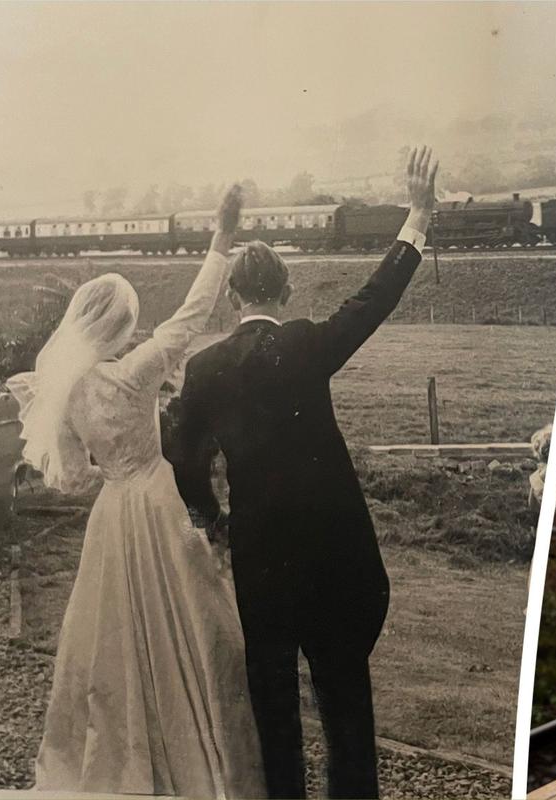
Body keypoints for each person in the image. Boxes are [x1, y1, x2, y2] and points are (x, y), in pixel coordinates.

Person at [166, 146, 438, 799]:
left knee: (275, 712)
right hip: (336, 553)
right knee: (347, 708)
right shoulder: (309, 343)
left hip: (261, 558)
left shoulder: (205, 371)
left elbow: (183, 457)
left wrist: (211, 518)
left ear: (234, 297)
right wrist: (419, 215)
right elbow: (374, 298)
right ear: (285, 293)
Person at [7, 187, 264, 797]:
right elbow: (191, 317)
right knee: (202, 625)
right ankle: (200, 753)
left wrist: (106, 473)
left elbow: (68, 476)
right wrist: (221, 240)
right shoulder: (133, 375)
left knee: (110, 640)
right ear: (121, 324)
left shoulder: (66, 389)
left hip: (112, 513)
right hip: (157, 499)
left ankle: (123, 756)